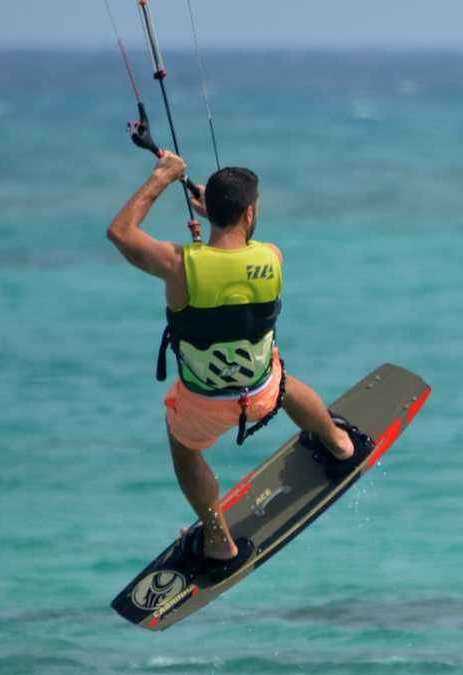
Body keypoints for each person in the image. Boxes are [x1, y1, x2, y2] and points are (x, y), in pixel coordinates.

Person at [107, 151, 355, 577]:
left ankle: (219, 543)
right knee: (285, 383)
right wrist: (221, 222)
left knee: (184, 450)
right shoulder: (272, 257)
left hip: (205, 404)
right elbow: (239, 256)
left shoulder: (179, 265)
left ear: (217, 212)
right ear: (250, 211)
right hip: (261, 390)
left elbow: (120, 232)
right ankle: (339, 444)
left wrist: (163, 177)